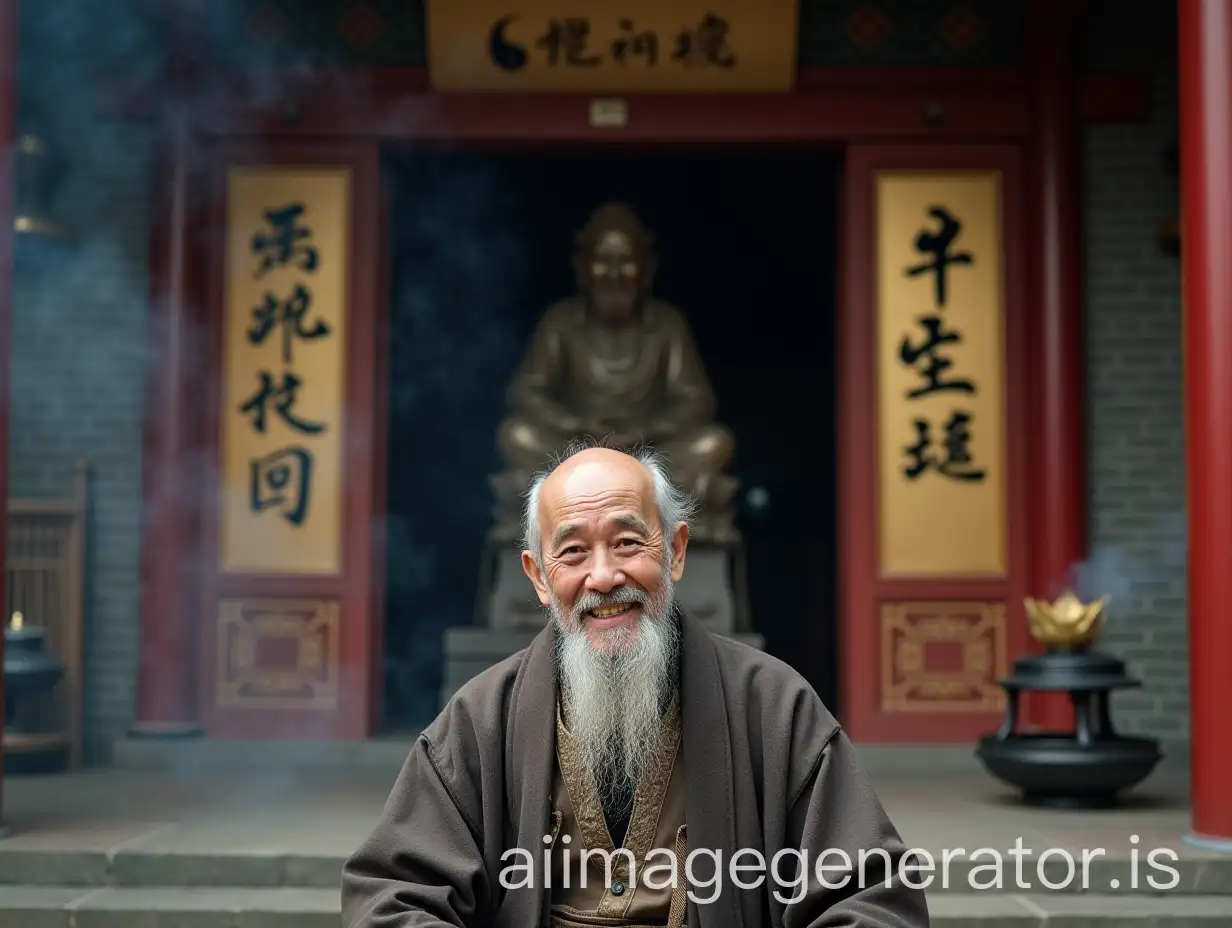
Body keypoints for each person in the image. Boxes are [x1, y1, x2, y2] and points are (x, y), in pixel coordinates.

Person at [342, 441, 930, 928]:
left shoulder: (773, 708)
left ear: (674, 552)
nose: (604, 576)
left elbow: (872, 900)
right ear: (540, 578)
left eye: (627, 543)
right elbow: (393, 896)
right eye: (573, 552)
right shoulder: (481, 720)